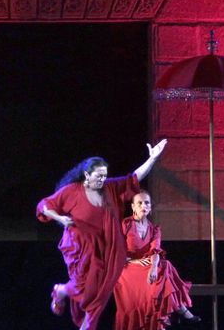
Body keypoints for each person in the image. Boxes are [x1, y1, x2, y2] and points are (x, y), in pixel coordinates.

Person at [38, 139, 168, 330]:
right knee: (85, 288)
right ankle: (62, 290)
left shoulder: (110, 188)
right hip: (80, 248)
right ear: (86, 175)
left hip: (109, 248)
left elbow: (134, 178)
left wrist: (152, 159)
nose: (102, 180)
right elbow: (44, 206)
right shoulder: (71, 192)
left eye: (104, 176)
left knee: (102, 292)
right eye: (98, 176)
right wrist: (60, 218)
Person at [113, 191, 199, 329]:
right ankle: (181, 309)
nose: (143, 206)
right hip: (127, 268)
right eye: (139, 203)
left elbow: (155, 251)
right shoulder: (126, 224)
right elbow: (117, 253)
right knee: (165, 268)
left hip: (146, 267)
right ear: (133, 207)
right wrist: (136, 262)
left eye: (146, 203)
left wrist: (153, 268)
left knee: (164, 266)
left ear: (151, 207)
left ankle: (161, 320)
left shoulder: (154, 229)